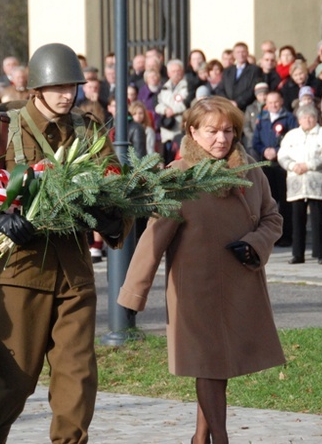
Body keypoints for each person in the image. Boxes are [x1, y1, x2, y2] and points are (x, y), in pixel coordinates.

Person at [0, 43, 130, 444]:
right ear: (36, 88)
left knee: (77, 376)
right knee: (12, 380)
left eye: (73, 85)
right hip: (21, 271)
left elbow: (119, 192)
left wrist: (112, 219)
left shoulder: (89, 132)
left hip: (75, 274)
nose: (68, 94)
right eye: (58, 85)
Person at [118, 96, 285, 444]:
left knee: (217, 367)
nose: (221, 139)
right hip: (195, 289)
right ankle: (219, 439)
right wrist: (135, 292)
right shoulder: (178, 177)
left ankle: (199, 437)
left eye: (228, 131)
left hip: (240, 283)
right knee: (208, 365)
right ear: (192, 131)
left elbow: (273, 217)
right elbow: (154, 236)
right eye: (211, 131)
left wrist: (256, 244)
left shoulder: (249, 169)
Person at [278, 105, 322, 264]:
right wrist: (292, 166)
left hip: (316, 180)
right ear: (299, 119)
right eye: (304, 117)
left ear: (316, 118)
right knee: (297, 220)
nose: (307, 120)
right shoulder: (291, 135)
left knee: (318, 219)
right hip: (296, 180)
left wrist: (308, 165)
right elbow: (282, 155)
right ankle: (298, 254)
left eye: (310, 117)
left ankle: (320, 253)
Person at [253, 91, 298, 246]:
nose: (273, 105)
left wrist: (278, 151)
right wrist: (264, 150)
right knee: (269, 202)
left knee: (286, 202)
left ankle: (286, 236)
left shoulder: (289, 118)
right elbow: (255, 141)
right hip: (267, 165)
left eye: (276, 102)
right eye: (270, 102)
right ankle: (270, 236)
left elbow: (294, 139)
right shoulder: (261, 119)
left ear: (282, 101)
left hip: (283, 165)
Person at [222, 42, 263, 111]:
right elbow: (221, 88)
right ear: (234, 54)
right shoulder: (227, 71)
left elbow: (252, 89)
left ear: (247, 53)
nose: (240, 55)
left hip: (245, 108)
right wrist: (227, 102)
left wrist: (237, 102)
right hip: (228, 108)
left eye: (243, 52)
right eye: (238, 52)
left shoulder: (255, 70)